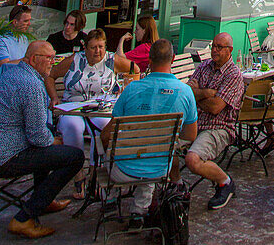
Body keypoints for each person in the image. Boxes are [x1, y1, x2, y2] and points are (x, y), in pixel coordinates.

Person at [0, 40, 84, 238]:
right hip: (5, 159)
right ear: (33, 60)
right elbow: (38, 138)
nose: (53, 62)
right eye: (49, 58)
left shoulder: (13, 74)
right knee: (74, 156)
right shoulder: (30, 85)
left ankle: (44, 199)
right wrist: (55, 140)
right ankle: (25, 218)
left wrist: (50, 137)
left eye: (54, 57)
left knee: (48, 143)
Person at [101, 38, 198, 230]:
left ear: (149, 60)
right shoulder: (186, 92)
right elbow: (190, 135)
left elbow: (107, 135)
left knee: (110, 146)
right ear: (173, 59)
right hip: (160, 169)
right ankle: (139, 210)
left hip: (121, 170)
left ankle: (111, 198)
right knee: (155, 154)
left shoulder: (131, 89)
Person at [51, 28, 137, 198]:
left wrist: (128, 90)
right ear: (85, 48)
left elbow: (135, 69)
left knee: (104, 128)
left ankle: (95, 172)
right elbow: (50, 75)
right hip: (73, 107)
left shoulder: (112, 60)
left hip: (101, 107)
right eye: (93, 47)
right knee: (71, 127)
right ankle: (77, 174)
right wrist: (54, 97)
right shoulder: (74, 60)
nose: (97, 51)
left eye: (101, 47)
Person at [185, 32, 245, 209]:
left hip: (218, 128)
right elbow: (188, 92)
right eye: (213, 46)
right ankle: (176, 186)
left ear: (230, 51)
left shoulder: (233, 75)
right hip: (193, 122)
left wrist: (198, 95)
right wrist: (206, 93)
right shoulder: (204, 67)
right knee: (164, 148)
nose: (215, 50)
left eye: (220, 47)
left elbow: (215, 107)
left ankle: (225, 182)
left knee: (192, 160)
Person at [0, 3, 33, 87]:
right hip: (2, 86)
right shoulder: (0, 40)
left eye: (29, 20)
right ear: (15, 22)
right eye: (26, 21)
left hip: (21, 82)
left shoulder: (23, 38)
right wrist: (29, 60)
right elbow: (4, 66)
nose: (29, 24)